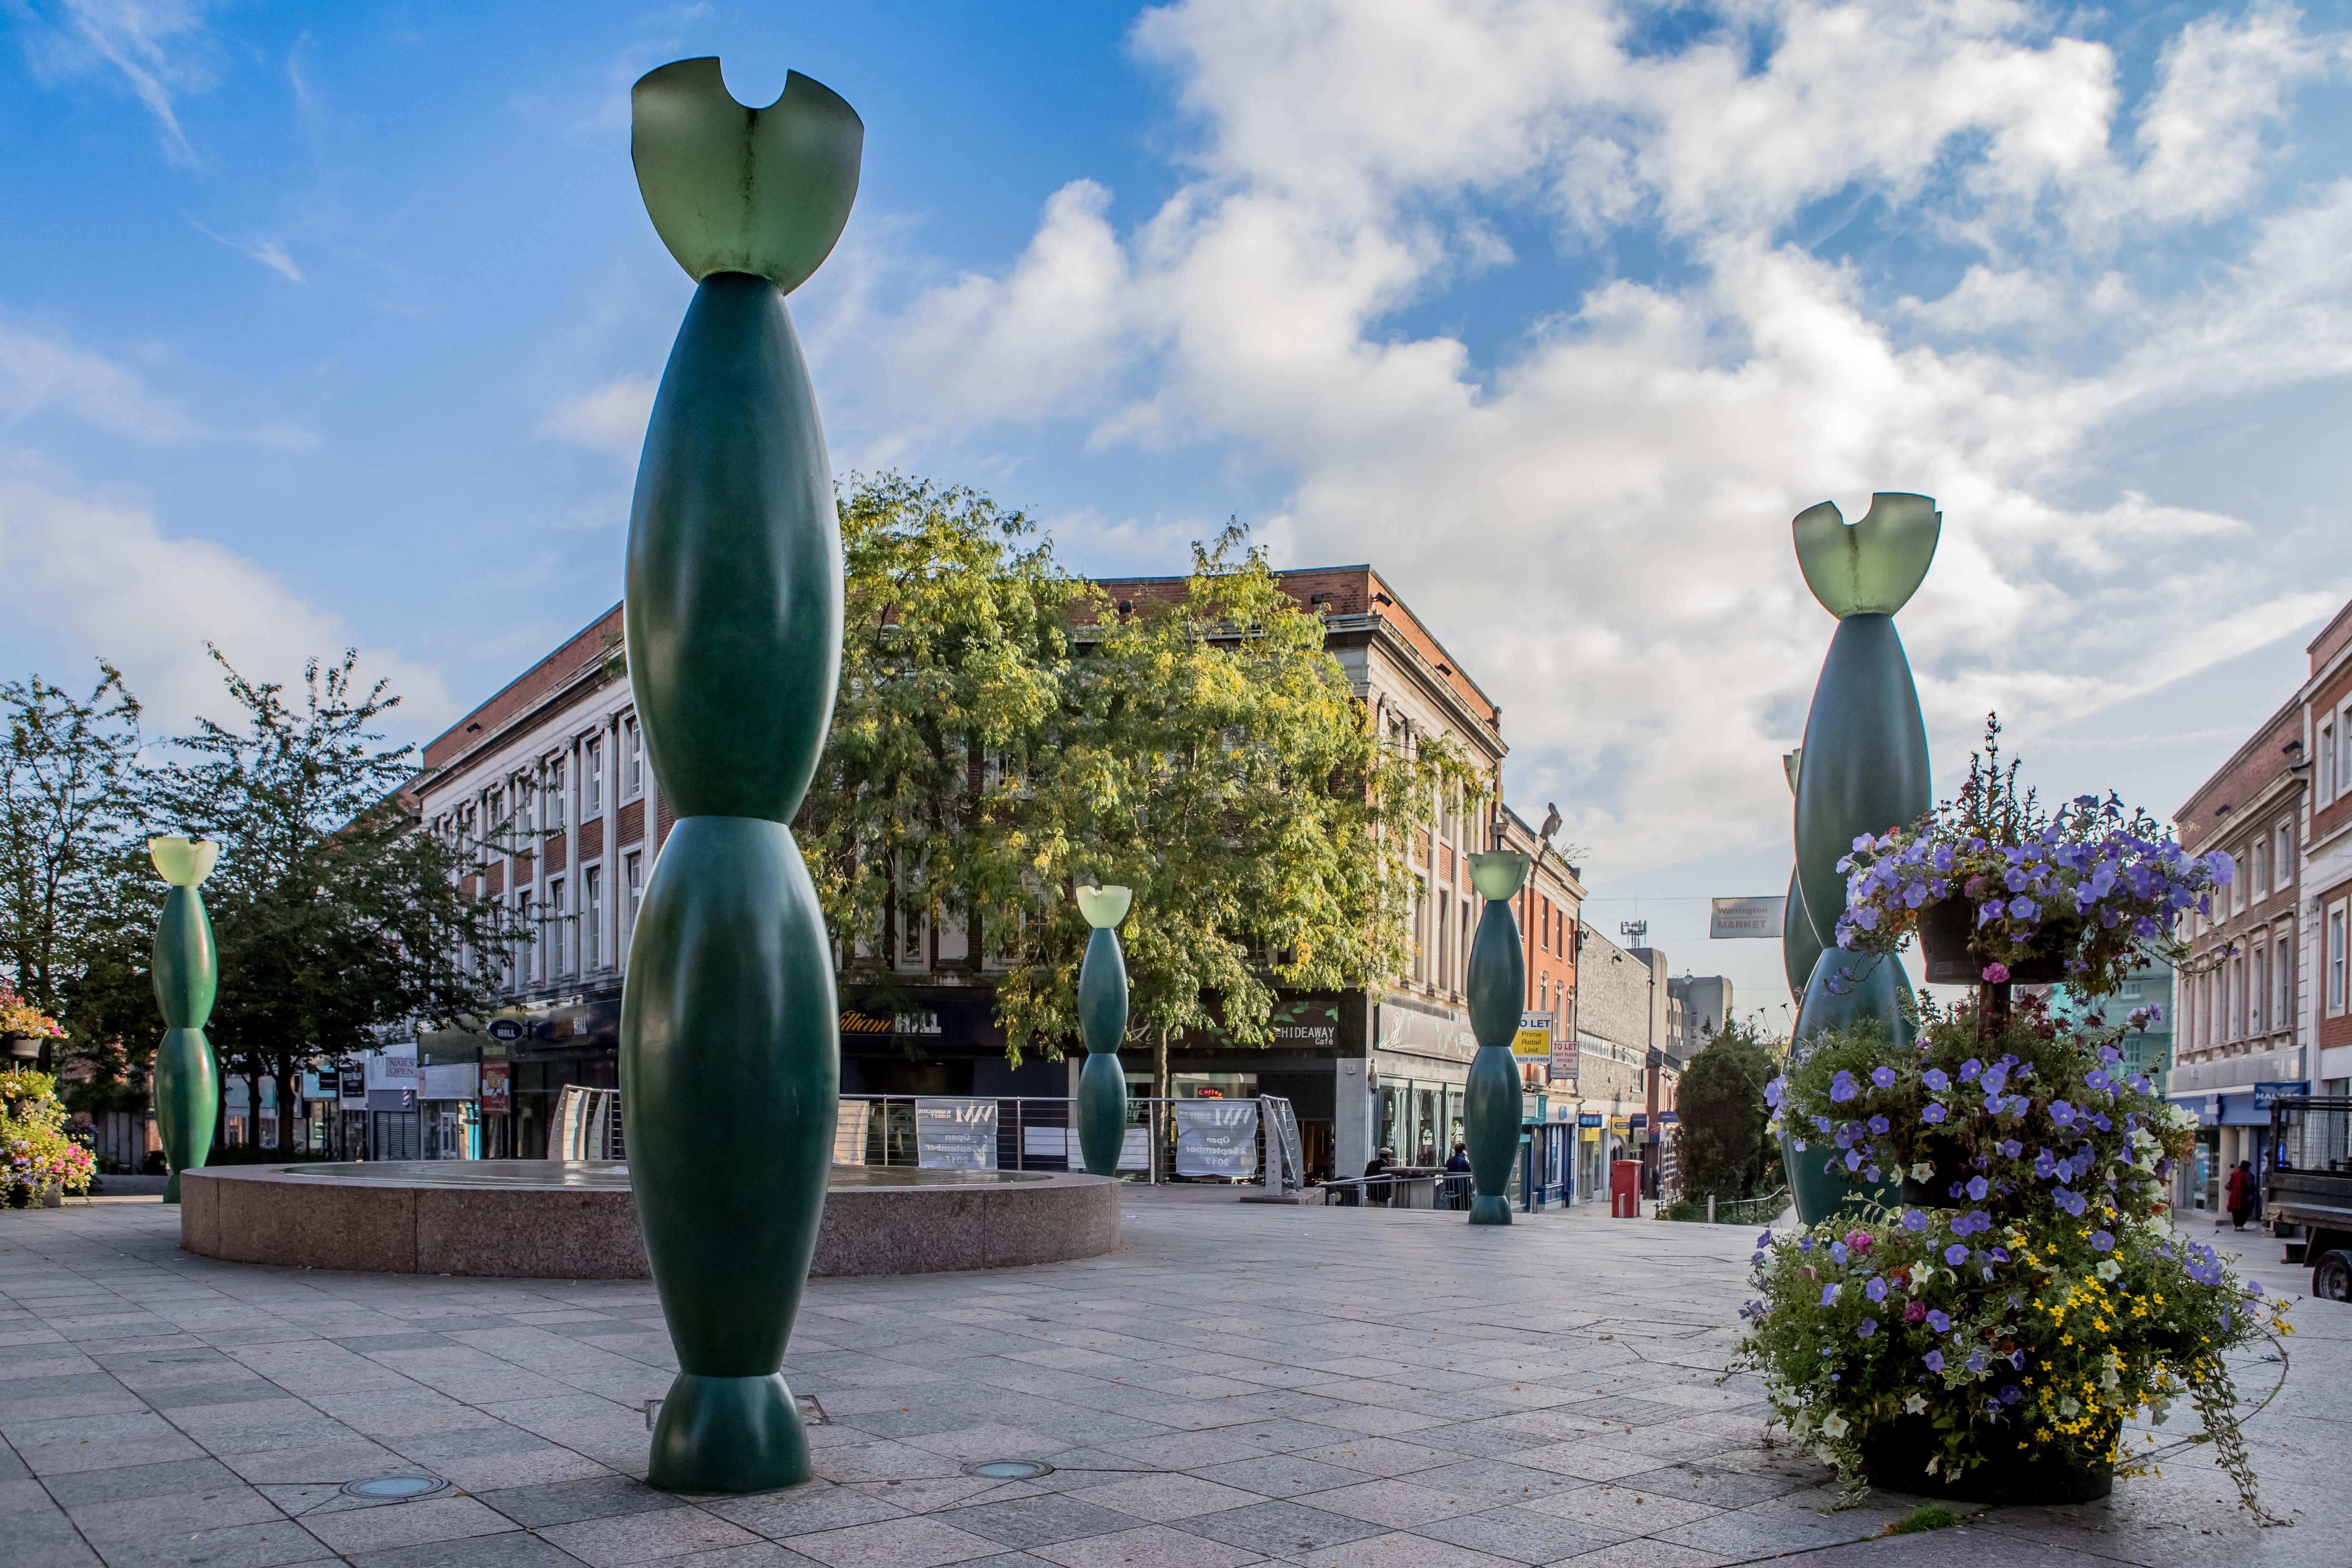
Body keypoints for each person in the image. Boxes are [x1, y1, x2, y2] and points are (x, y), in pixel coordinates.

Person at [2226, 1159, 2255, 1231]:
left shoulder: (2235, 1173)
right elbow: (2249, 1185)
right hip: (2243, 1196)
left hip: (2234, 1196)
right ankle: (2240, 1226)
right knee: (2244, 1211)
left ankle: (2237, 1226)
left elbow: (2231, 1184)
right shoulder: (2246, 1175)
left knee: (2235, 1211)